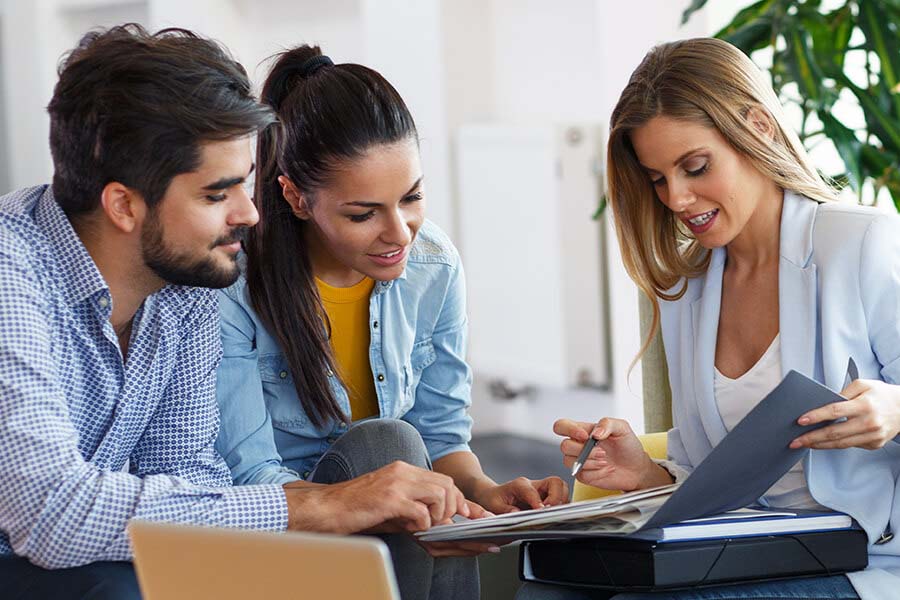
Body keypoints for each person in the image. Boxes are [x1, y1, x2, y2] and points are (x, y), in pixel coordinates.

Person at [0, 25, 471, 600]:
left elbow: (191, 480)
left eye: (246, 185)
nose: (250, 214)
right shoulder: (12, 278)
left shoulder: (190, 283)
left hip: (96, 558)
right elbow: (52, 514)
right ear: (123, 204)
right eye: (218, 194)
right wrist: (323, 505)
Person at [526, 37, 900, 599]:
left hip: (858, 558)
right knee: (548, 589)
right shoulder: (685, 288)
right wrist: (645, 473)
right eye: (657, 178)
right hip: (736, 548)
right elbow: (714, 474)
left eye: (695, 167)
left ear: (759, 128)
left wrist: (894, 409)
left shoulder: (861, 242)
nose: (676, 197)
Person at [214, 45, 569, 599]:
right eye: (363, 213)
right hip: (284, 539)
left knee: (412, 468)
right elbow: (251, 477)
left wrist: (483, 491)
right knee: (388, 446)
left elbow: (442, 436)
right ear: (296, 197)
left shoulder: (433, 265)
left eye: (412, 198)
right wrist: (367, 497)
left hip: (394, 540)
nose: (400, 233)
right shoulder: (233, 287)